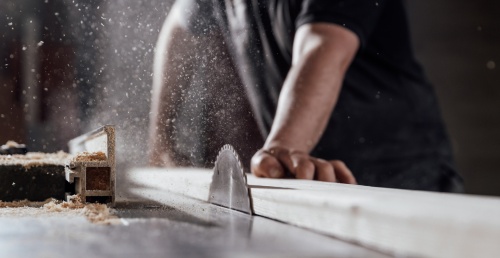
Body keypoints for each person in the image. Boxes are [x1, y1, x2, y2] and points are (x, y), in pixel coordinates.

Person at [148, 0, 463, 192]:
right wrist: (161, 142)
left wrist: (284, 146)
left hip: (400, 172)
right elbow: (180, 32)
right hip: (309, 175)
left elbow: (323, 46)